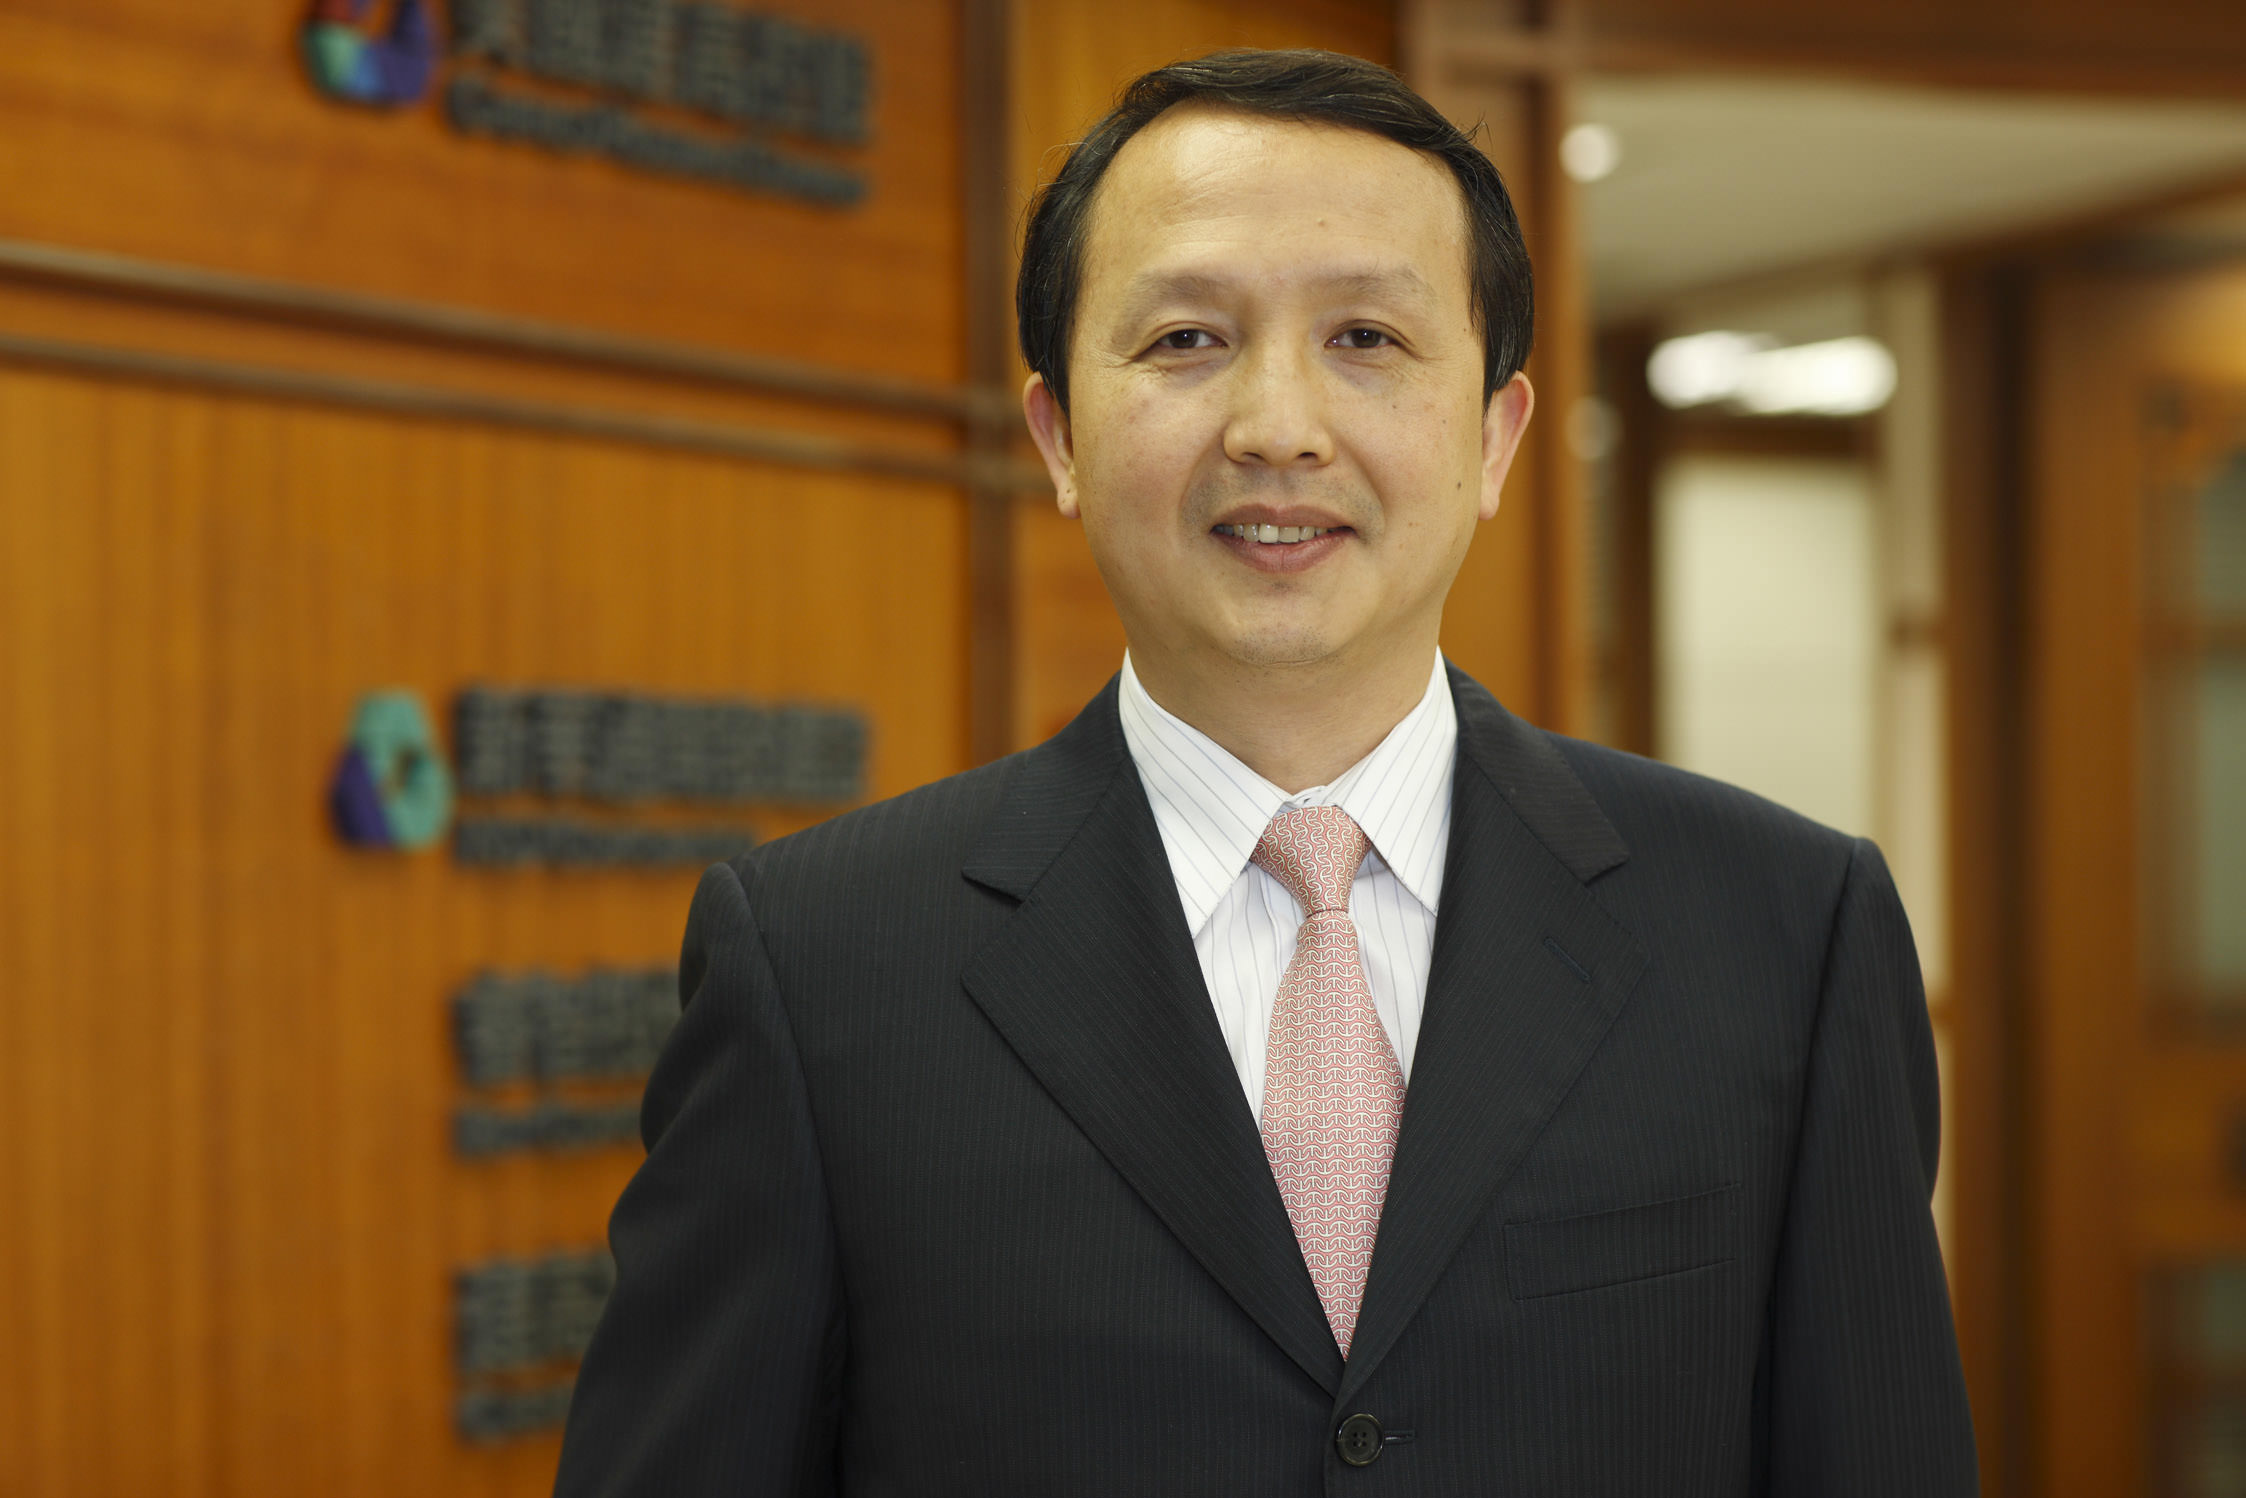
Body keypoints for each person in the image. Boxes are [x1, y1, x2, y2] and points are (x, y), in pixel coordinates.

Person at [553, 49, 1976, 1496]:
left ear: (1495, 436)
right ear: (1057, 435)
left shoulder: (1782, 930)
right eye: (1186, 339)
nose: (1277, 427)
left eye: (1366, 336)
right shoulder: (818, 964)